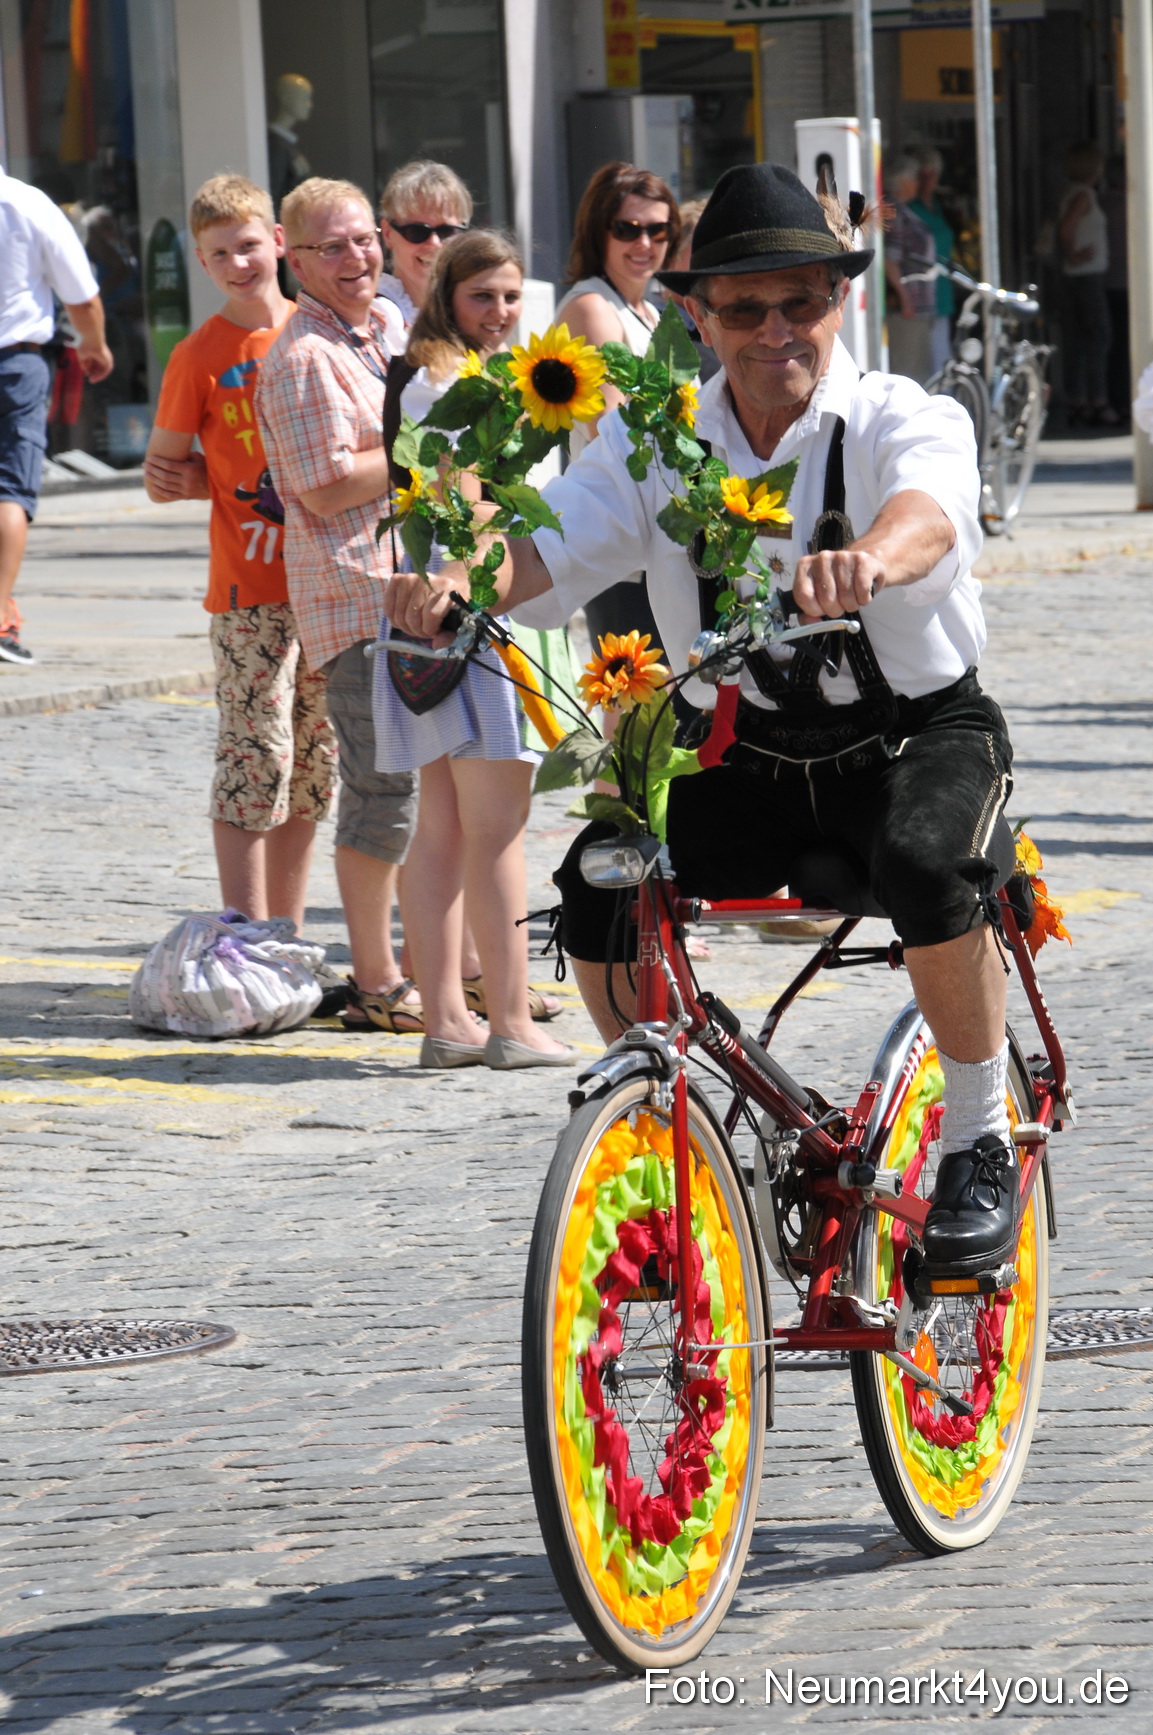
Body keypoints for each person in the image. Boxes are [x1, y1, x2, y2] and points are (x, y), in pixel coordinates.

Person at [387, 163, 1026, 1281]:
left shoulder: (897, 415)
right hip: (751, 752)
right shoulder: (657, 443)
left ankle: (978, 1141)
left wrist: (869, 558)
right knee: (600, 887)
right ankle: (673, 1129)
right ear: (698, 316)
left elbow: (930, 512)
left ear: (839, 299)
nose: (775, 330)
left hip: (917, 735)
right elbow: (550, 543)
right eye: (744, 307)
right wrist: (457, 577)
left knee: (929, 862)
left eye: (801, 302)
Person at [376, 230, 574, 1069]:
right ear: (446, 297)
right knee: (494, 829)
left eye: (511, 296)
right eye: (481, 296)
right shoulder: (451, 382)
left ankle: (447, 1022)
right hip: (475, 614)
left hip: (430, 615)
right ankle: (510, 1024)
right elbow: (465, 505)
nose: (499, 311)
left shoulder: (443, 373)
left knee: (444, 828)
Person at [143, 174, 336, 949]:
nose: (238, 263)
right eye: (219, 253)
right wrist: (202, 481)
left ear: (278, 242)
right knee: (255, 756)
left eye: (249, 245)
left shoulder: (317, 330)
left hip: (327, 581)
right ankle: (246, 934)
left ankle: (284, 931)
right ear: (201, 262)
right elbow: (162, 472)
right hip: (248, 588)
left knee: (312, 762)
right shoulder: (198, 355)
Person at [254, 176, 421, 1034]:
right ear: (295, 257)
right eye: (332, 246)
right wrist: (421, 447)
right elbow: (320, 488)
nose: (356, 257)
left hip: (414, 591)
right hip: (357, 603)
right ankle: (376, 981)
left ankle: (443, 966)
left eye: (363, 239)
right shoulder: (300, 357)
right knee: (382, 793)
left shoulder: (386, 323)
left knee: (434, 793)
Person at [554, 161, 680, 655]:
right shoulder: (593, 307)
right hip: (619, 544)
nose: (644, 243)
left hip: (657, 540)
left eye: (657, 230)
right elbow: (613, 429)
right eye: (627, 229)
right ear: (597, 231)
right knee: (637, 693)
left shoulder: (647, 311)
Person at [0, 165, 114, 666]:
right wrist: (95, 345)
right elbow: (82, 297)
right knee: (10, 489)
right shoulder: (26, 204)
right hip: (15, 365)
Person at [1058, 140, 1118, 428]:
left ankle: (1080, 400)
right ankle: (1096, 401)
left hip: (1080, 276)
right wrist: (1073, 253)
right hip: (1085, 276)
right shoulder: (1083, 194)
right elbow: (1066, 228)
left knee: (1081, 340)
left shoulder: (1074, 192)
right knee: (1098, 337)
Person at [377, 161, 471, 332]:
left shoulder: (473, 308)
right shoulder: (377, 315)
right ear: (388, 234)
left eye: (447, 231)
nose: (434, 243)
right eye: (417, 231)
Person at [883, 157, 936, 385]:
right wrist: (906, 300)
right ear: (902, 182)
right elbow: (890, 260)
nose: (917, 183)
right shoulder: (895, 212)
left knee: (918, 368)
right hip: (907, 309)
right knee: (911, 373)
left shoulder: (902, 210)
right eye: (914, 178)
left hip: (916, 306)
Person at [908, 147, 958, 378]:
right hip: (920, 293)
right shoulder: (910, 208)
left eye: (932, 175)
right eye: (922, 175)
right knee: (925, 363)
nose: (928, 181)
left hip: (942, 290)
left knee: (942, 357)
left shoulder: (936, 205)